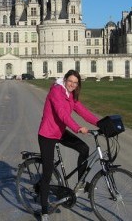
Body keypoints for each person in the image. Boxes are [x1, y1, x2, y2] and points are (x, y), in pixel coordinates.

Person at [38, 70, 100, 221]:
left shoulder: (70, 95)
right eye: (70, 81)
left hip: (59, 132)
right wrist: (77, 127)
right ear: (65, 80)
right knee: (47, 174)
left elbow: (83, 111)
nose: (72, 84)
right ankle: (44, 211)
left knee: (84, 148)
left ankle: (80, 185)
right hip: (47, 134)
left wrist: (100, 123)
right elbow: (62, 114)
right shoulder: (56, 91)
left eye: (75, 82)